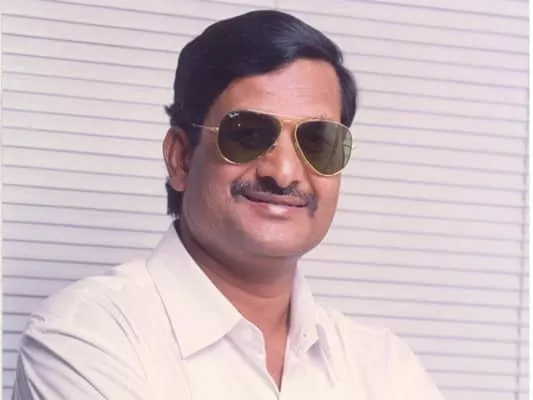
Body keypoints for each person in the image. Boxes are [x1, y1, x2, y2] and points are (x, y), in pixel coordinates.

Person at [12, 9, 445, 400]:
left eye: (317, 141)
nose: (284, 173)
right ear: (181, 158)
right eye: (248, 134)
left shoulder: (384, 365)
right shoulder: (85, 337)